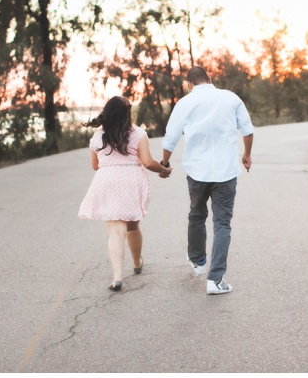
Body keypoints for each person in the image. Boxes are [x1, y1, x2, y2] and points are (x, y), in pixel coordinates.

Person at [160, 66, 254, 295]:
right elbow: (248, 129)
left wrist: (164, 164)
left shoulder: (185, 103)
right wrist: (247, 154)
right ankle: (216, 280)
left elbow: (170, 138)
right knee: (222, 224)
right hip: (226, 171)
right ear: (210, 79)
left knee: (197, 214)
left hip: (197, 171)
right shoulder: (230, 98)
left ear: (189, 84)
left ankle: (198, 261)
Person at [78, 96, 172, 292]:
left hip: (107, 180)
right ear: (128, 113)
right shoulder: (138, 133)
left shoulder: (98, 136)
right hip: (130, 181)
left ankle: (117, 278)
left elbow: (95, 165)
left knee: (115, 232)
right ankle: (137, 263)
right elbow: (147, 162)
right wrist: (163, 170)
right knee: (132, 226)